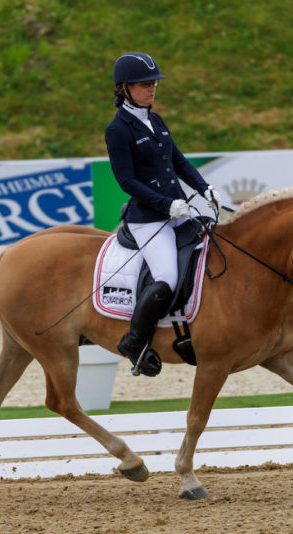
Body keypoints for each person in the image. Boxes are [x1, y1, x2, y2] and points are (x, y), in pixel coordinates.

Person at [105, 51, 222, 377]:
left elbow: (179, 162)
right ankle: (134, 342)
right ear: (125, 87)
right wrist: (165, 204)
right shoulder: (118, 130)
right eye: (145, 84)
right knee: (167, 277)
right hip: (149, 219)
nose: (152, 89)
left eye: (154, 83)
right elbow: (126, 181)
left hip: (178, 212)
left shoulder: (155, 120)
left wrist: (204, 187)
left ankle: (191, 330)